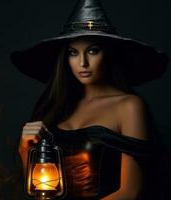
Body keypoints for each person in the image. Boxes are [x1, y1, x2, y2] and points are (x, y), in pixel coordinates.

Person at [10, 0, 170, 199]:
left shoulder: (129, 106)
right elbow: (40, 191)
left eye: (93, 51)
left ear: (108, 53)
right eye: (73, 53)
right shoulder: (58, 106)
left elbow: (131, 191)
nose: (83, 63)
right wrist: (25, 150)